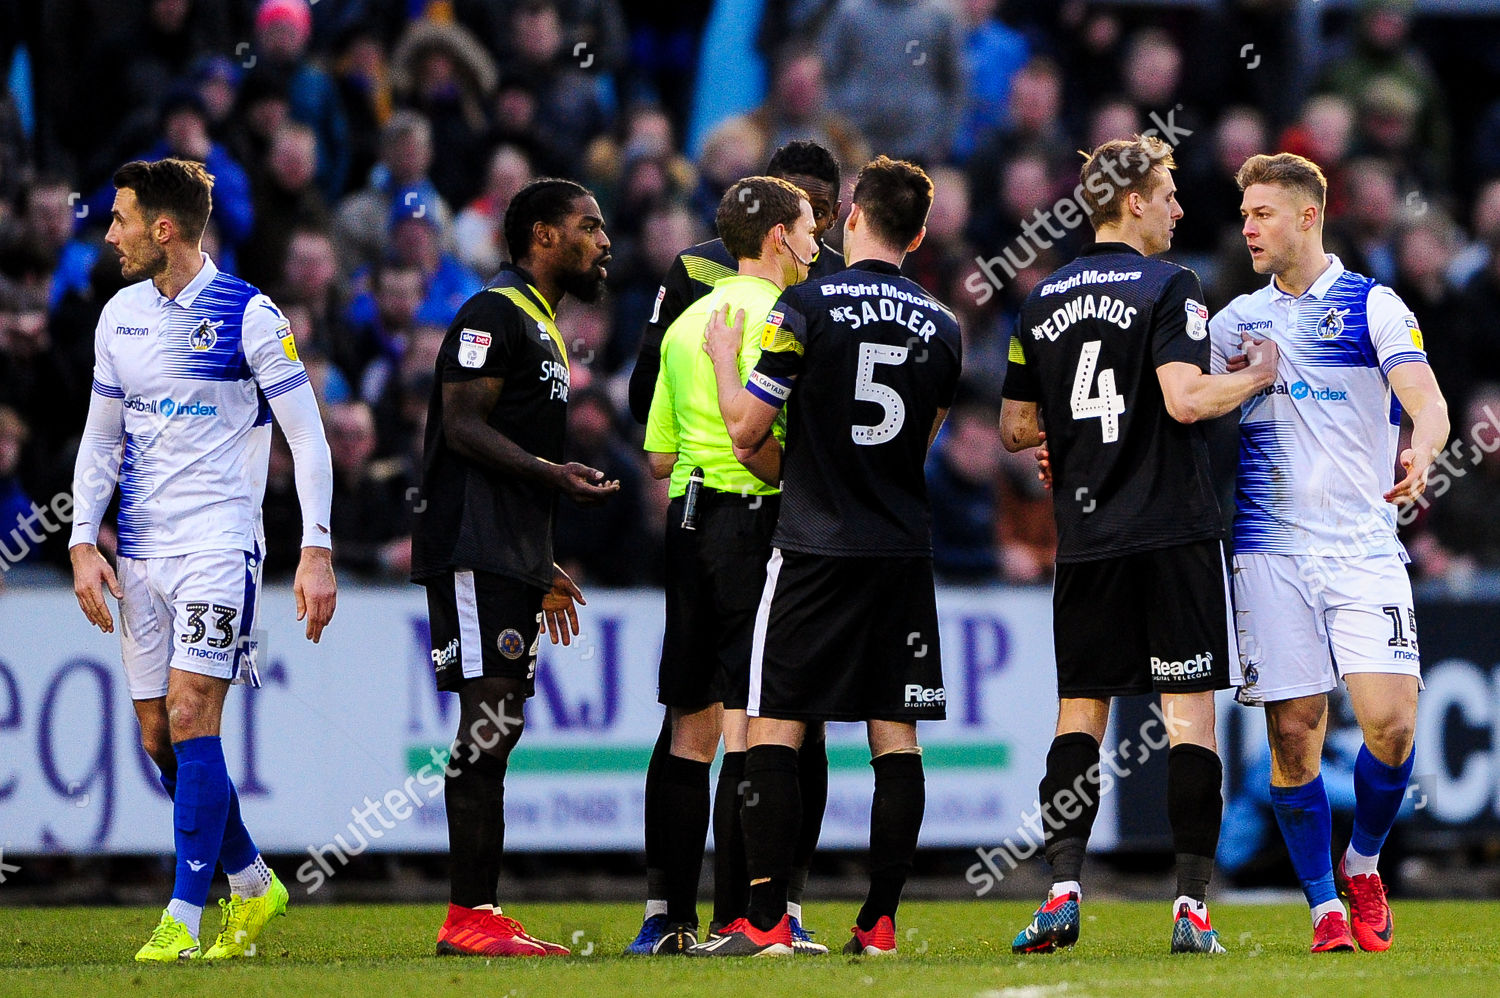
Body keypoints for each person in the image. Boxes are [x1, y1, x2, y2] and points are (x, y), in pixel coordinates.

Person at [998, 135, 1278, 956]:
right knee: (1189, 719)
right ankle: (1191, 910)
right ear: (1131, 200)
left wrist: (1072, 438)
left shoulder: (1041, 299)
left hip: (1087, 543)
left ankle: (1058, 893)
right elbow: (1187, 402)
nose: (1179, 208)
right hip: (1171, 532)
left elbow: (1016, 427)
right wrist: (1257, 374)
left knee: (1078, 715)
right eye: (1168, 193)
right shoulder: (1172, 284)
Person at [690, 156, 962, 958]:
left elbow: (745, 434)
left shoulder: (804, 305)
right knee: (896, 737)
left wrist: (718, 359)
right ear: (917, 234)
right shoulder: (945, 325)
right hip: (900, 550)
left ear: (851, 217)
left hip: (812, 546)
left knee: (774, 726)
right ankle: (878, 921)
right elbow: (921, 444)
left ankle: (767, 919)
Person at [68, 158, 338, 962]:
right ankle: (253, 882)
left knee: (192, 716)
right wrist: (84, 538)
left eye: (120, 219)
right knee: (159, 739)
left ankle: (181, 921)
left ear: (163, 228)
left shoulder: (250, 314)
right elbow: (101, 439)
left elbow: (309, 437)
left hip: (221, 544)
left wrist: (315, 547)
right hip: (141, 551)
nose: (109, 233)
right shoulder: (118, 317)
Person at [1211, 152, 1447, 953]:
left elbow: (1426, 397)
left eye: (1263, 213)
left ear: (1308, 216)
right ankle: (1323, 911)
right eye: (1244, 213)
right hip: (1268, 551)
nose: (1248, 226)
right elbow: (1181, 407)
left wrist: (1425, 448)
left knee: (1390, 725)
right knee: (1294, 732)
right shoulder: (1233, 323)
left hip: (1360, 547)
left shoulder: (1372, 305)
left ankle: (1365, 860)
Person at [624, 139, 845, 955]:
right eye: (809, 224)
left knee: (690, 724)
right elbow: (775, 445)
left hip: (689, 522)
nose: (820, 236)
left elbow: (652, 454)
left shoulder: (687, 318)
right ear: (783, 234)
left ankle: (666, 920)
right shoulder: (798, 318)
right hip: (766, 528)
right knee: (763, 725)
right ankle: (749, 917)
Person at [409, 177, 620, 957]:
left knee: (501, 723)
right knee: (487, 723)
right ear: (541, 236)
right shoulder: (492, 313)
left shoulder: (540, 326)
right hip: (471, 548)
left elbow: (503, 450)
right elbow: (462, 426)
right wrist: (554, 475)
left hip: (507, 554)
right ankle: (469, 915)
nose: (603, 243)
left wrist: (542, 559)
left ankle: (479, 912)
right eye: (588, 227)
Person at [628, 140, 846, 425]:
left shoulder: (845, 284)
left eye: (816, 213)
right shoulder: (694, 267)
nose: (802, 223)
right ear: (763, 195)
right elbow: (645, 394)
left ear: (835, 215)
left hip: (794, 466)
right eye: (792, 207)